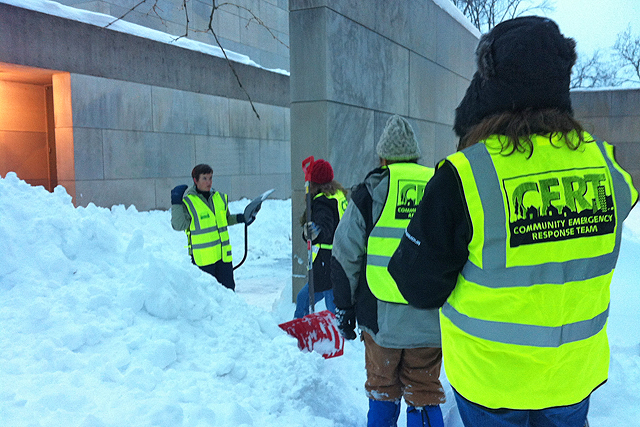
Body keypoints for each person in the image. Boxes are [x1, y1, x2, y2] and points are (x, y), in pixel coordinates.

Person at [388, 16, 638, 427]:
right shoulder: (607, 167)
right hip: (571, 379)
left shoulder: (465, 175)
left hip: (492, 384)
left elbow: (416, 284)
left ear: (491, 85)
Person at [331, 115, 445, 427]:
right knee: (424, 391)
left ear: (383, 157)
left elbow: (344, 255)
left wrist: (344, 307)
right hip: (430, 318)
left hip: (381, 322)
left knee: (383, 389)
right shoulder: (440, 186)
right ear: (417, 155)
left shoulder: (370, 192)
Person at [170, 164, 255, 291]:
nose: (209, 182)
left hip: (223, 257)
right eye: (204, 178)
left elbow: (225, 220)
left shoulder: (219, 198)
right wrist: (176, 203)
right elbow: (178, 225)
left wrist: (241, 218)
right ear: (195, 180)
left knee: (228, 293)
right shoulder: (188, 202)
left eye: (210, 178)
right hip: (203, 261)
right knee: (208, 298)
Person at [294, 158, 348, 319]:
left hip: (328, 261)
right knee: (304, 298)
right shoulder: (337, 195)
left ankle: (335, 336)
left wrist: (316, 233)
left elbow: (325, 226)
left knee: (331, 306)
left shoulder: (323, 201)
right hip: (338, 256)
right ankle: (298, 329)